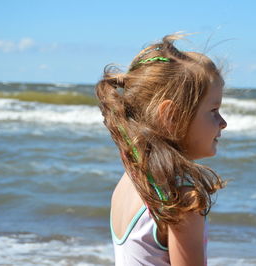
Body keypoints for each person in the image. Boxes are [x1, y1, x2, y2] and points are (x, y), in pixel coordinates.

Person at [95, 33, 227, 266]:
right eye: (214, 110)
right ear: (172, 117)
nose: (223, 123)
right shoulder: (181, 197)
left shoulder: (132, 180)